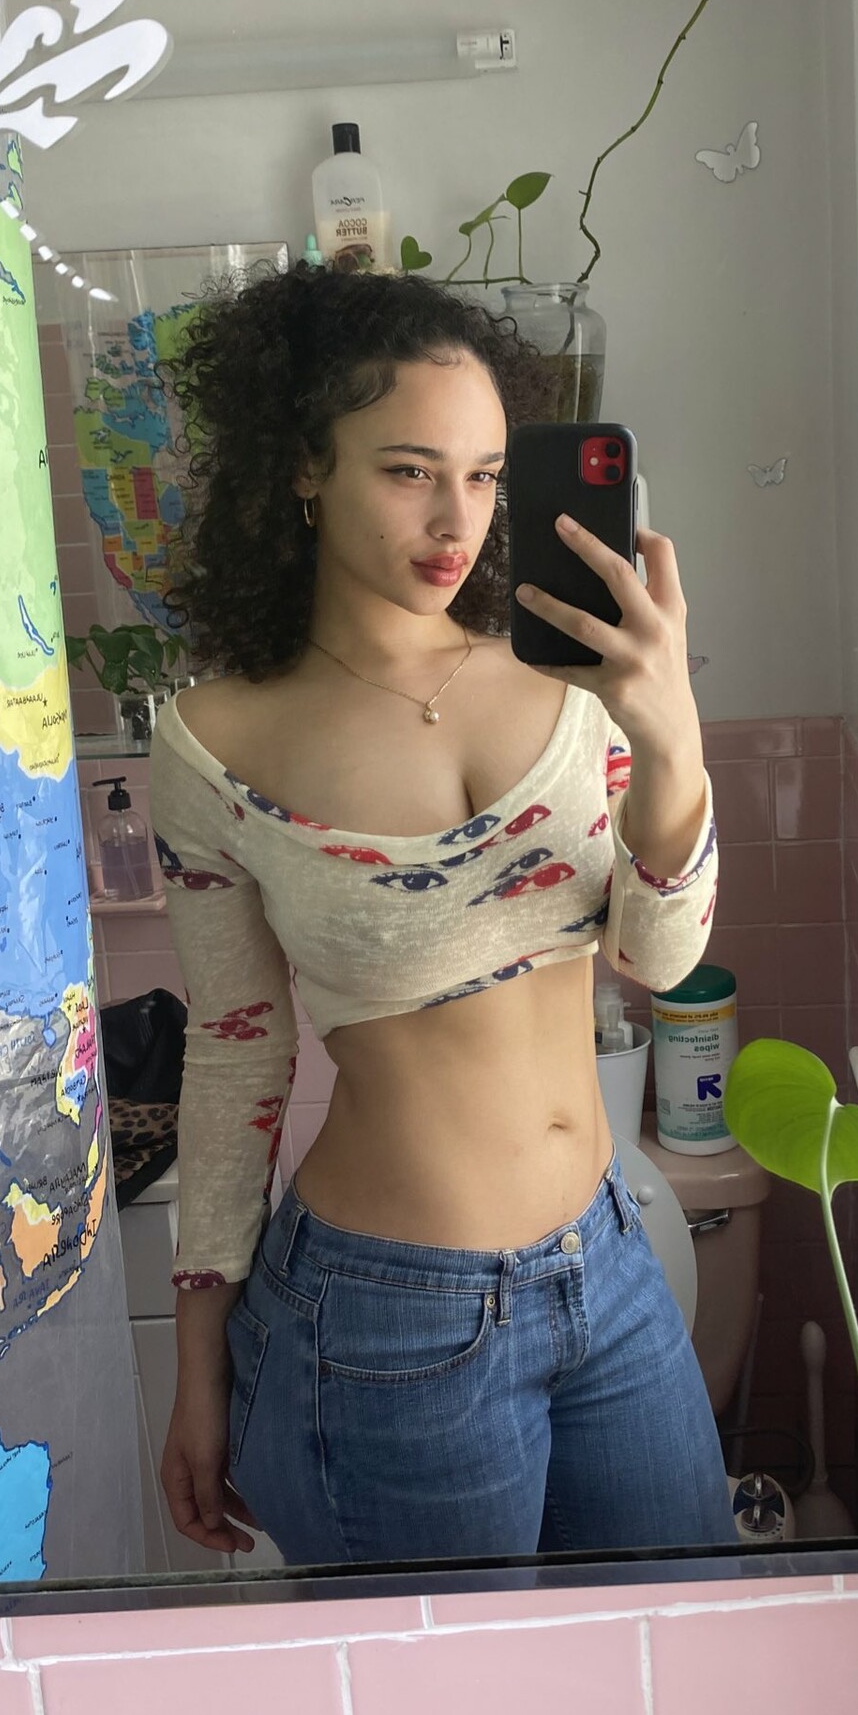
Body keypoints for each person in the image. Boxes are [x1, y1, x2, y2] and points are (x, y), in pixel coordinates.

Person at [147, 261, 736, 1567]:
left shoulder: (572, 685)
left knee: (685, 1636)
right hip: (382, 1320)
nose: (456, 519)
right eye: (410, 470)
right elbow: (237, 1053)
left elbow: (658, 958)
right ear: (306, 466)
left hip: (610, 1266)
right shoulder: (213, 744)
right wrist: (197, 1364)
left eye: (483, 476)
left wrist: (672, 736)